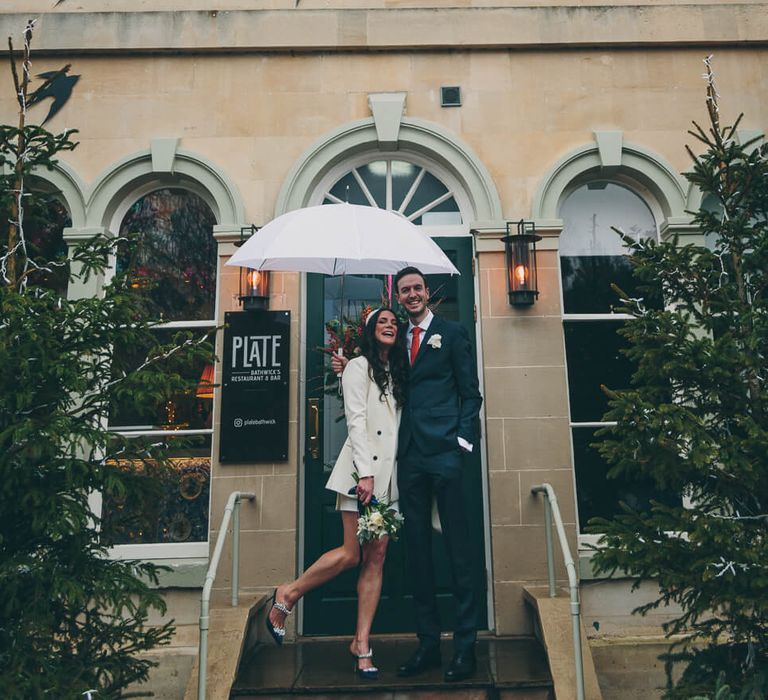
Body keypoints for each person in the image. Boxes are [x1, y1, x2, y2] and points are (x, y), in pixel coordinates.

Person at [334, 266, 483, 683]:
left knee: (458, 553)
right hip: (409, 460)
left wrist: (463, 445)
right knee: (417, 554)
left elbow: (471, 394)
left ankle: (466, 647)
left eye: (417, 288)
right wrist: (348, 366)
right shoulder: (397, 345)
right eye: (405, 290)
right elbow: (375, 375)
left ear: (427, 293)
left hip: (447, 456)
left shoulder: (451, 335)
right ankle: (429, 645)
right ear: (399, 297)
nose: (412, 295)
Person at [266, 307, 408, 680]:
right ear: (369, 330)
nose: (390, 325)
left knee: (376, 558)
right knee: (350, 553)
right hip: (361, 475)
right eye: (382, 322)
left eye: (394, 322)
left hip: (390, 477)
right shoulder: (359, 367)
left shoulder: (399, 371)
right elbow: (357, 421)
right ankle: (288, 594)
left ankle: (361, 643)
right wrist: (366, 475)